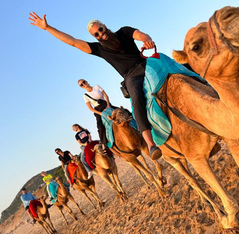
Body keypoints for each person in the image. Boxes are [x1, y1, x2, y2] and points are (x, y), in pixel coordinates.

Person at [29, 12, 162, 160]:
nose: (101, 34)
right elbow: (72, 41)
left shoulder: (124, 31)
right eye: (96, 34)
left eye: (100, 29)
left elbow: (141, 35)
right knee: (136, 99)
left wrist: (147, 41)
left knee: (178, 66)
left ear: (104, 26)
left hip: (146, 63)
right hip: (131, 76)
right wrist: (48, 28)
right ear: (95, 37)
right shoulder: (99, 49)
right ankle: (150, 144)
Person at [76, 82, 112, 151]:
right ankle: (104, 145)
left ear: (86, 81)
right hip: (98, 110)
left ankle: (136, 126)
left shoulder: (96, 86)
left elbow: (105, 95)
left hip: (106, 105)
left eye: (84, 82)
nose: (83, 84)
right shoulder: (85, 95)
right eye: (81, 84)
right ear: (81, 87)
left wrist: (108, 105)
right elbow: (90, 108)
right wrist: (100, 113)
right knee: (100, 126)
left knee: (122, 112)